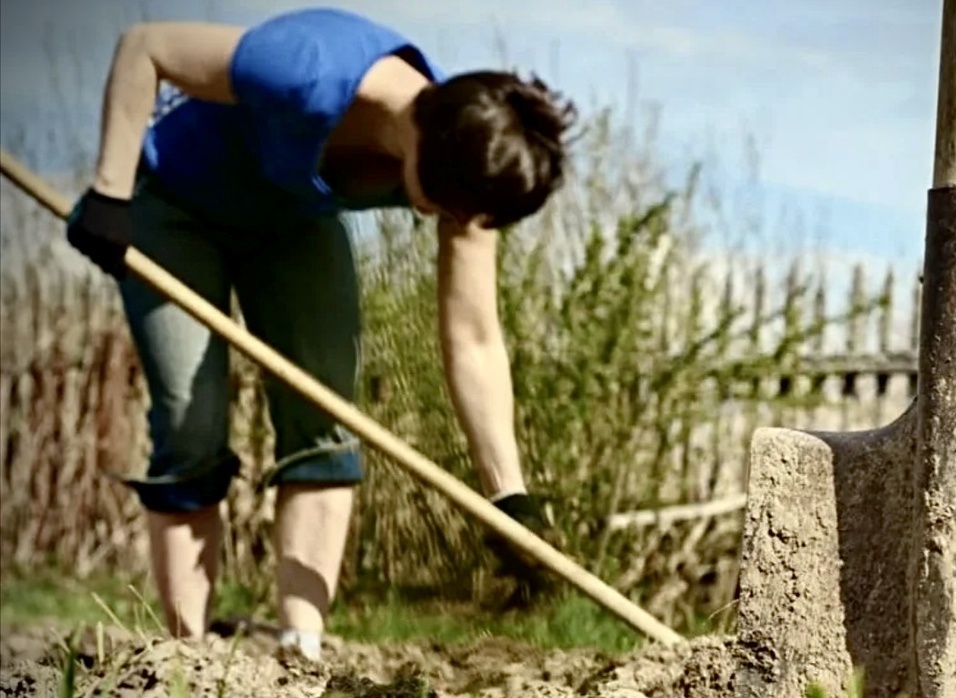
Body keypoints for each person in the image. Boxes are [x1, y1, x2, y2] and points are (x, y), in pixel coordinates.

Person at [64, 6, 574, 660]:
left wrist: (509, 497)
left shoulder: (474, 169)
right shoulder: (305, 68)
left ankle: (298, 651)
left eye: (472, 215)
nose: (458, 221)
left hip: (293, 224)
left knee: (326, 413)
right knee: (192, 422)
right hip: (175, 204)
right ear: (423, 135)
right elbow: (146, 47)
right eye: (448, 205)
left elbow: (473, 339)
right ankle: (182, 657)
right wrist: (110, 190)